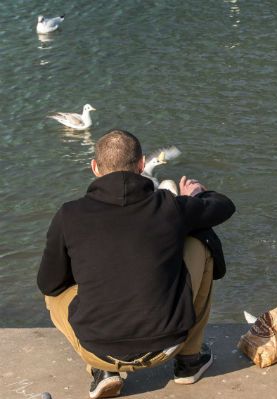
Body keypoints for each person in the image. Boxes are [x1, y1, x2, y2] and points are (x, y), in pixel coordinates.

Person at [37, 129, 235, 398]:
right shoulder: (169, 206)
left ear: (95, 167)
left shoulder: (69, 215)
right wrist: (196, 196)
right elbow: (224, 206)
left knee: (54, 293)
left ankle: (102, 370)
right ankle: (190, 360)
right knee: (201, 242)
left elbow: (49, 283)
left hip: (98, 349)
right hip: (167, 344)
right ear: (142, 164)